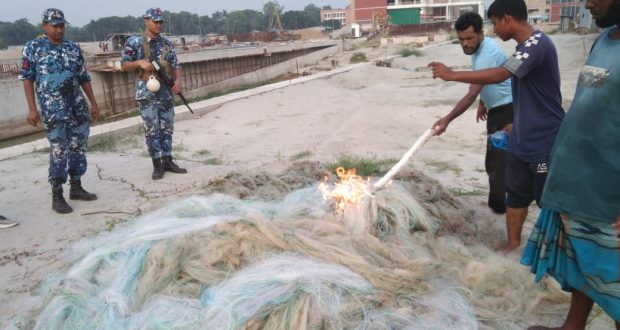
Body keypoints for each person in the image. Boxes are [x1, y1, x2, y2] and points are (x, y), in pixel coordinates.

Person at [429, 0, 565, 252]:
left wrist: (452, 74)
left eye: (494, 22)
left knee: (549, 200)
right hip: (521, 133)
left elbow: (502, 74)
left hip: (544, 137)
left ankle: (557, 250)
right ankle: (512, 245)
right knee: (515, 194)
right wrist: (515, 121)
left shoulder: (537, 44)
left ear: (507, 18)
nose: (494, 29)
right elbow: (518, 87)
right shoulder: (522, 48)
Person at [521, 0, 620, 326]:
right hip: (578, 183)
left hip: (609, 195)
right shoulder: (605, 39)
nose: (588, 2)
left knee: (614, 279)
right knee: (583, 269)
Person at [19, 8, 100, 214]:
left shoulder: (73, 48)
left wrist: (93, 103)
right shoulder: (33, 48)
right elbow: (27, 78)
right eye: (55, 26)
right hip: (54, 110)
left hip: (77, 108)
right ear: (44, 26)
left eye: (62, 25)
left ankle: (76, 187)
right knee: (58, 151)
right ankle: (57, 194)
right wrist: (32, 109)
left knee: (78, 147)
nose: (59, 29)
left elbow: (83, 77)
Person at [432, 12, 513, 215]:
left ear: (481, 34)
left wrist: (447, 120)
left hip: (507, 111)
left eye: (469, 38)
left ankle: (500, 210)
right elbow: (486, 79)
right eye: (461, 39)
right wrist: (485, 102)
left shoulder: (486, 53)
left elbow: (471, 93)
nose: (465, 44)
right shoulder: (482, 49)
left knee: (497, 164)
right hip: (498, 107)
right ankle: (506, 202)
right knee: (496, 161)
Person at [120, 8, 187, 180]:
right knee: (152, 129)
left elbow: (175, 65)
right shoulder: (134, 42)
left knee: (167, 127)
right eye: (155, 21)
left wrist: (177, 82)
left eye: (160, 22)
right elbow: (124, 65)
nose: (158, 25)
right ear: (146, 21)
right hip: (146, 92)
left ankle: (168, 160)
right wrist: (139, 63)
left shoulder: (166, 43)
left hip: (165, 92)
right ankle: (157, 164)